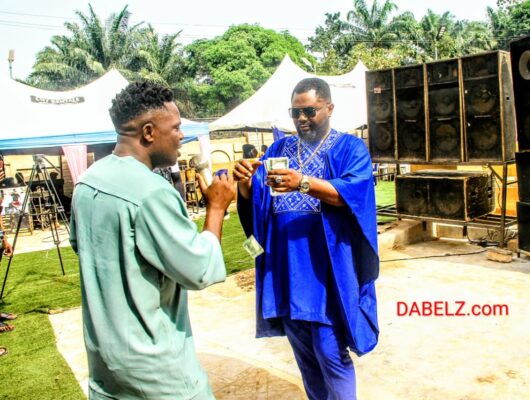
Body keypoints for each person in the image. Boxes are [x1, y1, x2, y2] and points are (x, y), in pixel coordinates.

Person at [69, 81, 235, 399]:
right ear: (148, 132)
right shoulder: (153, 192)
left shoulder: (87, 181)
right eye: (175, 128)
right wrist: (216, 208)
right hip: (158, 372)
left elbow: (84, 247)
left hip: (106, 368)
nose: (181, 136)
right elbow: (199, 269)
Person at [234, 78, 379, 399]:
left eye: (309, 111)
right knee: (305, 356)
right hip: (287, 270)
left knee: (331, 352)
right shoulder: (278, 149)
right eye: (295, 112)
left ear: (329, 108)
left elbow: (351, 194)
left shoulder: (350, 148)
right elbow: (259, 199)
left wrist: (303, 182)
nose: (301, 118)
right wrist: (244, 183)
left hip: (327, 270)